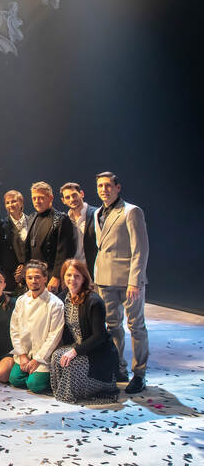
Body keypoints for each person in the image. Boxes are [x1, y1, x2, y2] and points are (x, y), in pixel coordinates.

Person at [93, 171, 149, 394]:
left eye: (107, 185)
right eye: (100, 186)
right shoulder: (98, 212)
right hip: (104, 279)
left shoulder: (131, 211)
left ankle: (140, 373)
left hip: (128, 281)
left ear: (118, 187)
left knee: (136, 326)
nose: (103, 189)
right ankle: (119, 368)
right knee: (113, 326)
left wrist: (135, 281)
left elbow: (140, 249)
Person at [51, 260, 119, 403]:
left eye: (77, 276)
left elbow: (99, 336)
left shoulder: (93, 301)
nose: (72, 279)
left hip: (97, 352)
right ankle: (61, 391)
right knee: (57, 356)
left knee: (71, 363)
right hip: (78, 345)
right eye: (69, 275)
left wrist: (75, 351)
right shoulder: (63, 298)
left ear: (84, 278)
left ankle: (75, 392)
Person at [8, 260, 65, 394]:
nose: (33, 281)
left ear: (45, 278)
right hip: (25, 353)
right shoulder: (22, 300)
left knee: (34, 385)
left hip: (44, 355)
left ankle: (39, 376)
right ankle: (30, 372)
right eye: (30, 277)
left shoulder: (55, 304)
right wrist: (22, 355)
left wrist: (37, 359)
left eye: (37, 277)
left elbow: (54, 336)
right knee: (14, 379)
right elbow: (14, 329)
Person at [24, 182, 75, 291]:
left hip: (51, 276)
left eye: (41, 198)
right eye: (34, 198)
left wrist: (57, 276)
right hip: (34, 275)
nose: (37, 201)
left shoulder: (61, 219)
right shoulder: (32, 218)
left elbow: (65, 251)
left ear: (50, 198)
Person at [60, 183, 99, 274]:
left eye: (74, 195)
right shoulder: (64, 220)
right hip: (73, 271)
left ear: (81, 194)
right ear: (63, 200)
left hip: (95, 271)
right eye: (67, 197)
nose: (72, 199)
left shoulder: (97, 214)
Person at [0, 190, 28, 294]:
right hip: (10, 275)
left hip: (31, 271)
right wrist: (17, 272)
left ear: (21, 203)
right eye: (7, 202)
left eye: (14, 201)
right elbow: (1, 254)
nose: (11, 205)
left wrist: (25, 266)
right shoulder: (1, 226)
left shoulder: (33, 222)